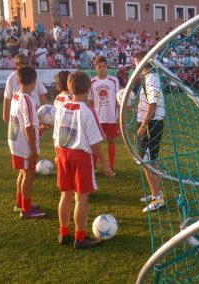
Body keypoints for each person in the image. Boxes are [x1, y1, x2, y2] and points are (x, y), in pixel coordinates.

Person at [53, 71, 113, 249]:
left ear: (69, 87)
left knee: (65, 195)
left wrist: (57, 156)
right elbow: (95, 144)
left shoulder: (61, 108)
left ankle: (63, 232)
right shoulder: (88, 111)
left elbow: (57, 136)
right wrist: (106, 165)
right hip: (80, 157)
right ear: (88, 89)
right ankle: (80, 238)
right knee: (81, 198)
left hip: (63, 153)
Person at [8, 66, 46, 218]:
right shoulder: (28, 100)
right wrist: (33, 150)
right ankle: (26, 209)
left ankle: (20, 203)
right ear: (35, 82)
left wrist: (41, 128)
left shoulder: (16, 96)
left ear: (18, 81)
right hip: (25, 145)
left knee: (23, 173)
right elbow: (29, 127)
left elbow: (26, 123)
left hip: (15, 140)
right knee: (28, 176)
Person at [134, 51, 165, 213]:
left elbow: (152, 106)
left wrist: (143, 125)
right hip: (148, 124)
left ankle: (157, 197)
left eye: (135, 62)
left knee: (149, 161)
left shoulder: (151, 78)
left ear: (141, 63)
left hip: (151, 124)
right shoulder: (148, 78)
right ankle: (154, 193)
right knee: (145, 160)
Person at [88, 56, 120, 175]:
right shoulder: (92, 82)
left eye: (104, 66)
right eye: (99, 66)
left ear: (107, 67)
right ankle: (93, 167)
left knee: (111, 141)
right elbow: (90, 101)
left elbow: (118, 99)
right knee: (96, 143)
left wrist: (119, 115)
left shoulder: (114, 80)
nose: (102, 69)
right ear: (95, 68)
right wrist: (91, 117)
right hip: (97, 118)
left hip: (111, 117)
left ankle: (111, 166)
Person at [2, 55, 47, 123]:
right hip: (19, 111)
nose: (25, 65)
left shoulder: (33, 76)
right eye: (22, 63)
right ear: (16, 65)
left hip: (34, 109)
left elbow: (41, 94)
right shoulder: (12, 78)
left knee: (34, 131)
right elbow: (7, 97)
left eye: (26, 63)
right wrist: (5, 114)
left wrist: (46, 111)